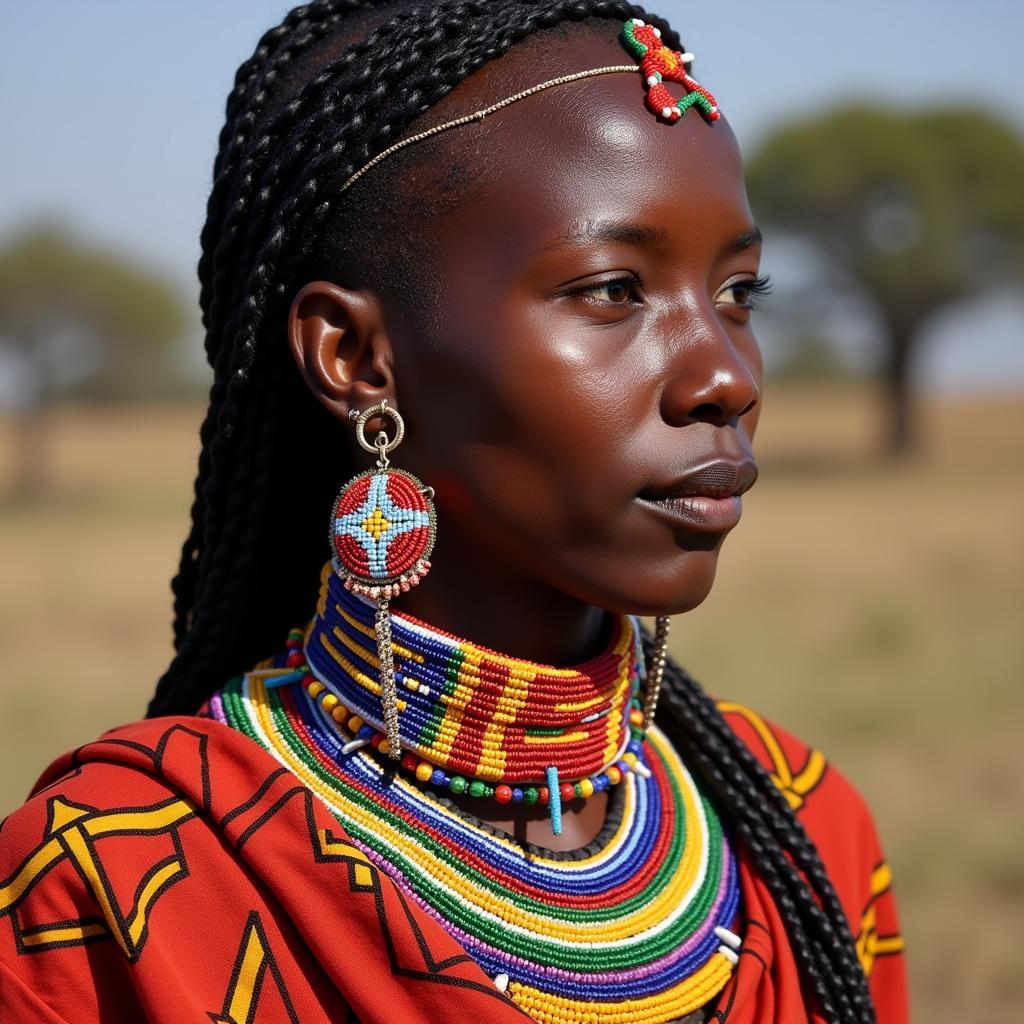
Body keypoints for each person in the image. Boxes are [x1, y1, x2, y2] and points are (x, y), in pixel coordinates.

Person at [0, 3, 908, 1022]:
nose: (725, 376)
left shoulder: (799, 832)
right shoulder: (113, 892)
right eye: (615, 289)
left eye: (739, 290)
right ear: (356, 358)